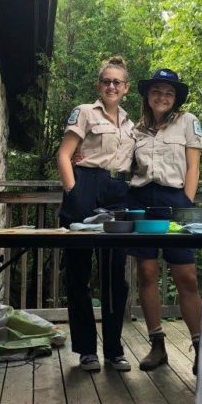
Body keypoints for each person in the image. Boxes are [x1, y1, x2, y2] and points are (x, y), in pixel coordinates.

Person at [57, 56, 136, 372]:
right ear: (98, 85)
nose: (111, 86)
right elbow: (64, 154)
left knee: (115, 273)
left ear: (126, 88)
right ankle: (87, 350)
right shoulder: (85, 112)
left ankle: (115, 350)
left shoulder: (133, 124)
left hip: (119, 193)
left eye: (117, 82)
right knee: (78, 271)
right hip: (86, 185)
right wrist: (74, 192)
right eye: (106, 81)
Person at [127, 68, 202, 374]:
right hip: (141, 200)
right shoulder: (136, 129)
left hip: (176, 200)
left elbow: (193, 167)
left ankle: (201, 348)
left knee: (185, 275)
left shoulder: (188, 122)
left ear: (176, 98)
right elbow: (123, 164)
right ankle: (157, 344)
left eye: (169, 92)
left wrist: (186, 205)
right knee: (146, 271)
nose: (162, 96)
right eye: (157, 91)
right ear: (148, 95)